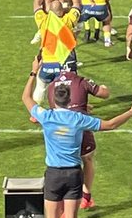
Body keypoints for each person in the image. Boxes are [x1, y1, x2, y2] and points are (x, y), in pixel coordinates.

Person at [22, 60, 132, 218]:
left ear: (53, 100)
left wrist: (34, 72)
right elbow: (111, 124)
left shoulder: (46, 117)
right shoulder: (78, 119)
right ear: (70, 100)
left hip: (53, 175)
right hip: (73, 175)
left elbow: (26, 98)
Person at [45, 67, 110, 209]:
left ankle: (61, 209)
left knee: (61, 165)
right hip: (79, 125)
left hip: (60, 133)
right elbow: (104, 94)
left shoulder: (50, 86)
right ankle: (86, 196)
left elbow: (50, 107)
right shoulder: (81, 81)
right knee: (87, 159)